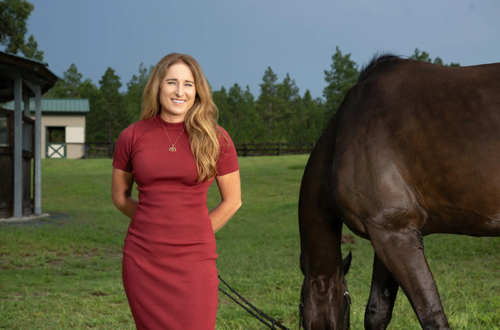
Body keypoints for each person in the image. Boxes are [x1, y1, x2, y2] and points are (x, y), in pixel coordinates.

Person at [111, 53, 241, 330]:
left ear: (198, 90)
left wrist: (194, 230)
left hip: (196, 260)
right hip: (142, 260)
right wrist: (155, 222)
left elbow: (233, 201)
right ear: (158, 87)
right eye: (172, 82)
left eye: (188, 84)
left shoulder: (216, 138)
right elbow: (120, 197)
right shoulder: (131, 136)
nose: (180, 91)